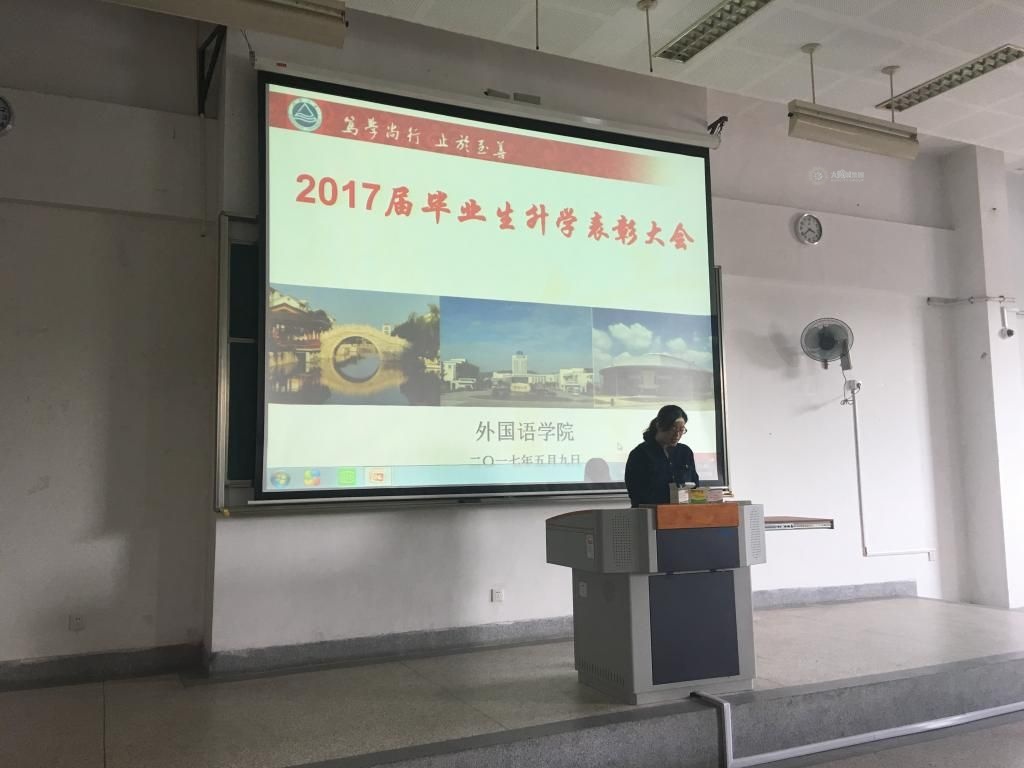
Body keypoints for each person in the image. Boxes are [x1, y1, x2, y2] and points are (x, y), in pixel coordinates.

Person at [624, 404, 699, 506]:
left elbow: (695, 486)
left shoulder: (685, 452)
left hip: (683, 512)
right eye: (673, 428)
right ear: (659, 426)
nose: (677, 435)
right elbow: (635, 493)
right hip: (651, 512)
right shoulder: (640, 454)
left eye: (681, 430)